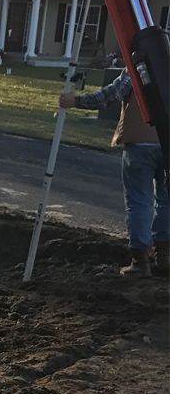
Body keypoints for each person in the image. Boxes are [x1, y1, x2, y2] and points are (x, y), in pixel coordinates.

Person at [60, 69, 169, 277]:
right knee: (166, 201)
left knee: (139, 201)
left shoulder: (139, 63)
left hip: (139, 144)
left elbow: (112, 94)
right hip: (167, 144)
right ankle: (165, 256)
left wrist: (76, 101)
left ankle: (140, 260)